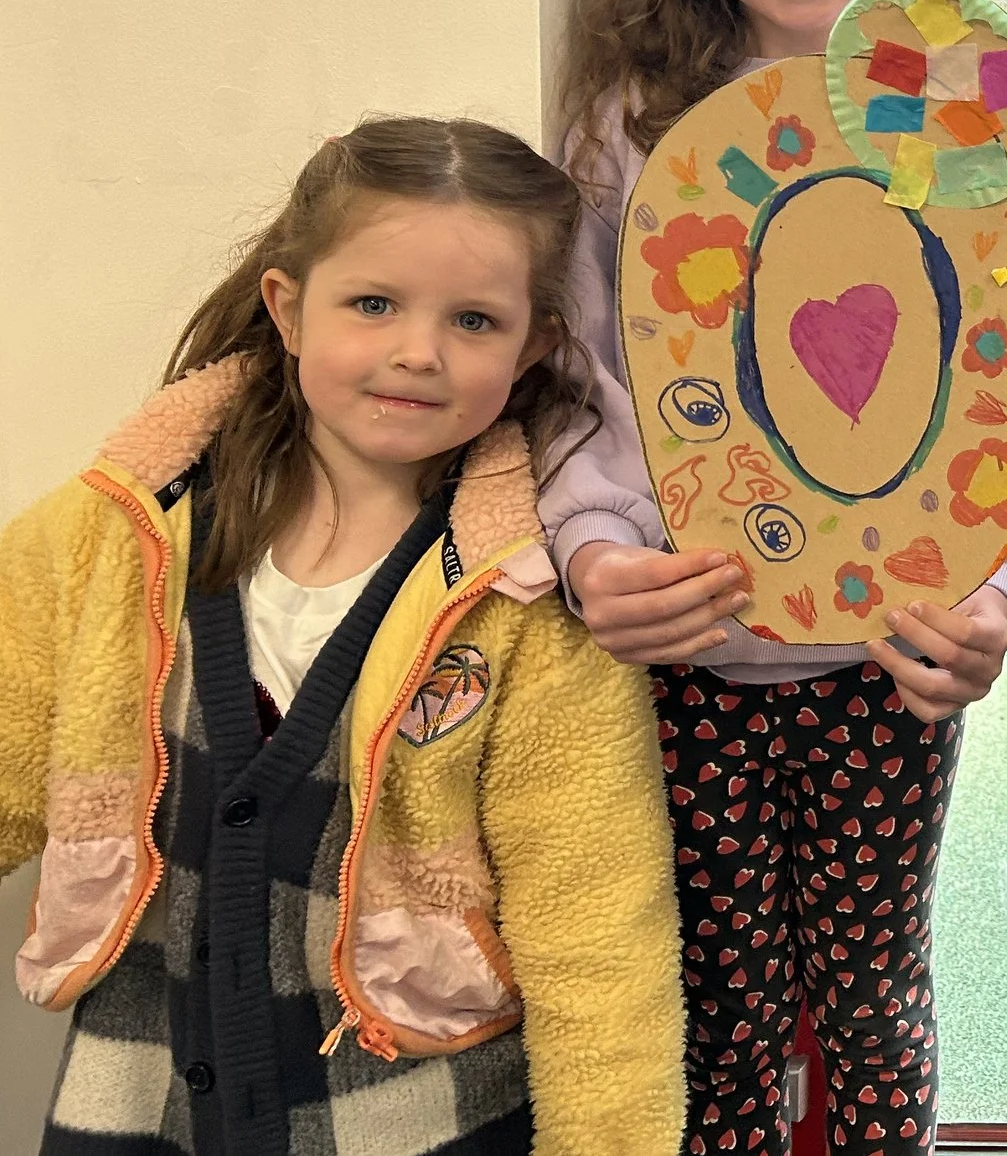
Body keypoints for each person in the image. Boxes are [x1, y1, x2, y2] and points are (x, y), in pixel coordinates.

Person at [546, 0, 1007, 1154]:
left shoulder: (956, 121)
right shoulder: (630, 129)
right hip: (689, 650)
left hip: (886, 657)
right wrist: (592, 553)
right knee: (720, 1009)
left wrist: (994, 588)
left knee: (875, 999)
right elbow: (581, 382)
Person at [0, 116, 682, 1156]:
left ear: (534, 345)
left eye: (474, 320)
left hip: (425, 1124)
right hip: (137, 1108)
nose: (418, 352)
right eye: (373, 304)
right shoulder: (110, 537)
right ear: (288, 307)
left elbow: (596, 938)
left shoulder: (531, 606)